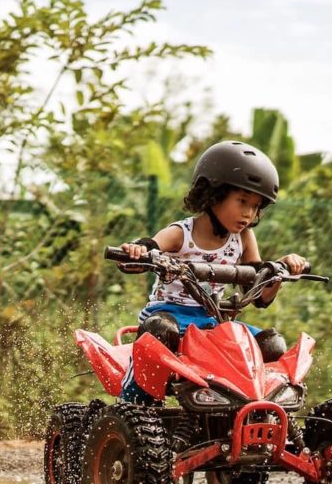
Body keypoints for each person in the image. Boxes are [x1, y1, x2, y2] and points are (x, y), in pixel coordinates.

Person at [117, 140, 307, 404]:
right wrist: (137, 251)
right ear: (214, 195)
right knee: (159, 333)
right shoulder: (181, 233)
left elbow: (260, 293)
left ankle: (261, 410)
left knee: (270, 344)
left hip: (211, 322)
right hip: (169, 315)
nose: (248, 214)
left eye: (255, 206)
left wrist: (279, 270)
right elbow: (149, 247)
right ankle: (131, 406)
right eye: (242, 201)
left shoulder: (244, 238)